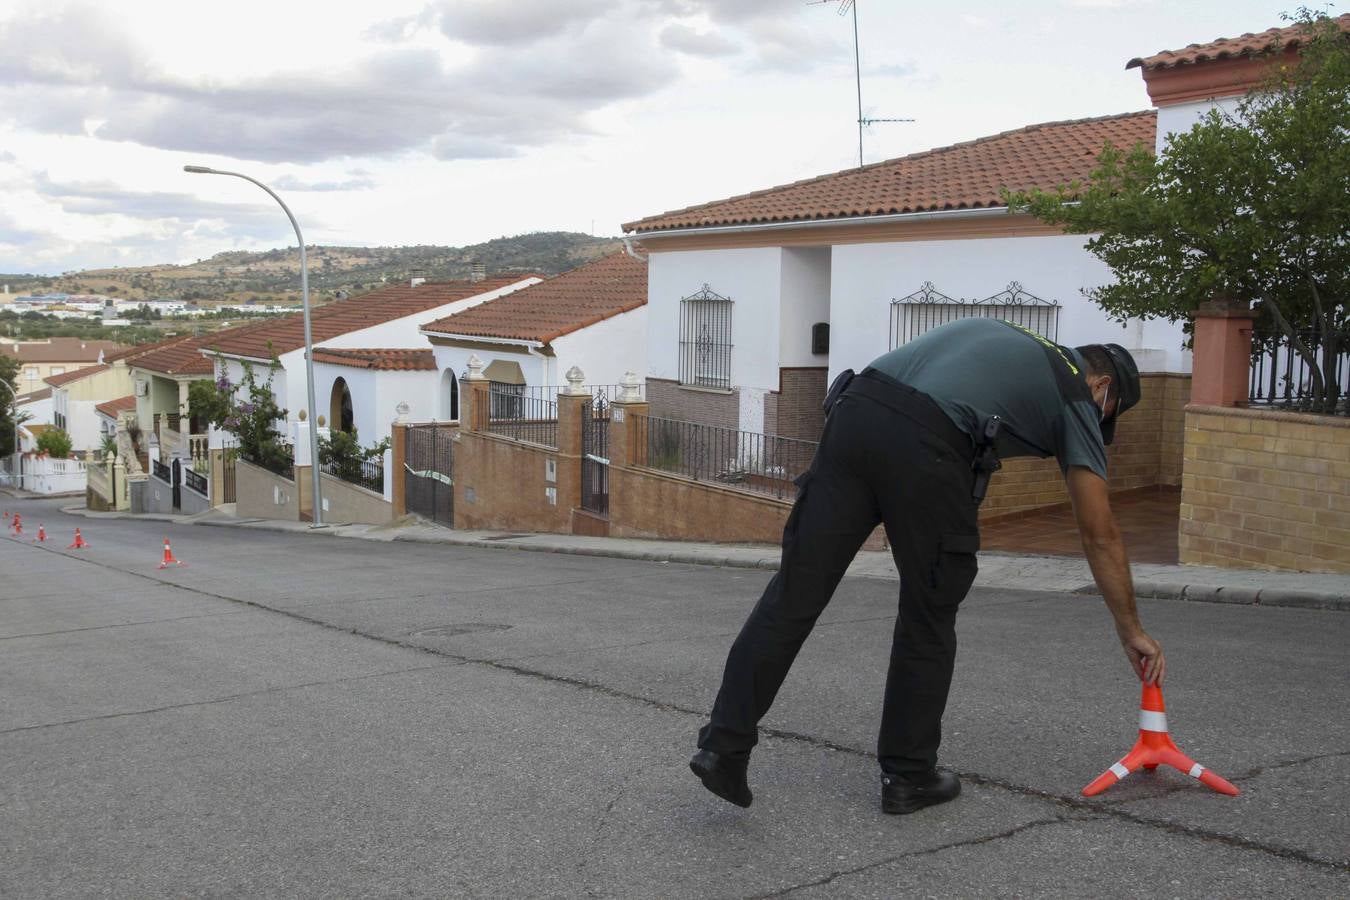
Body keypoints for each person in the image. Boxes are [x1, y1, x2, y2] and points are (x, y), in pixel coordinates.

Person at [689, 317, 1165, 814]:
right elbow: (1099, 530)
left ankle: (723, 744)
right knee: (929, 612)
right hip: (927, 443)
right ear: (1102, 385)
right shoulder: (1075, 392)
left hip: (855, 411)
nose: (1099, 419)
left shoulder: (1005, 336)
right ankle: (909, 775)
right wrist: (1130, 627)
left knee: (793, 594)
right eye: (1106, 412)